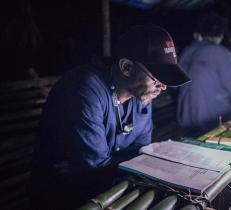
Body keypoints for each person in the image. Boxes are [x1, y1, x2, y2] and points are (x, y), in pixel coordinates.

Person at [30, 25, 190, 209]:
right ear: (127, 67)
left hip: (107, 189)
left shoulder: (142, 94)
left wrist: (111, 163)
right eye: (156, 78)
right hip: (62, 196)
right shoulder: (85, 88)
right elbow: (94, 168)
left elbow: (142, 152)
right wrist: (120, 162)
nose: (163, 87)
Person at [177, 14, 231, 133]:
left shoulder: (188, 50)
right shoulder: (221, 52)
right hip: (210, 119)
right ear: (222, 35)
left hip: (186, 117)